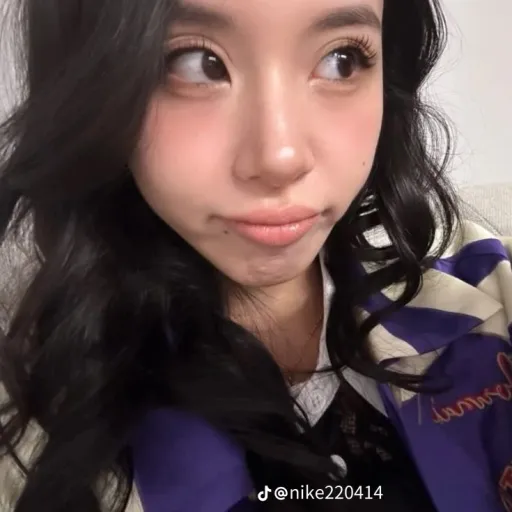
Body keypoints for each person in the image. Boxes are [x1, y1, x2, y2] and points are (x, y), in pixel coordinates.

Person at [0, 0, 510, 510]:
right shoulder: (33, 411)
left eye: (342, 60)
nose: (279, 159)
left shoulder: (486, 290)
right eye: (197, 63)